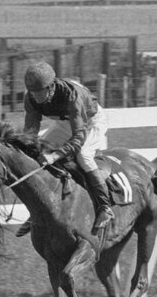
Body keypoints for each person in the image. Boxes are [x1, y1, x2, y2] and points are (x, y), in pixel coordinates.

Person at [19, 61, 114, 234]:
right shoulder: (30, 98)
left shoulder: (72, 95)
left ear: (51, 87)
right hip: (65, 123)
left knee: (83, 155)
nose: (37, 97)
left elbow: (78, 138)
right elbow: (30, 133)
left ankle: (104, 207)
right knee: (39, 151)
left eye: (40, 92)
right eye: (33, 92)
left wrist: (55, 156)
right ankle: (38, 210)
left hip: (90, 121)